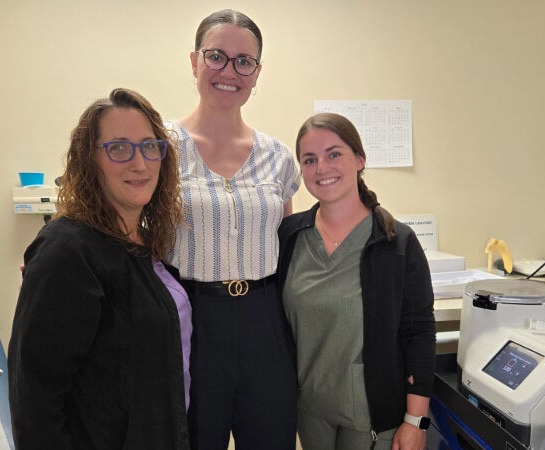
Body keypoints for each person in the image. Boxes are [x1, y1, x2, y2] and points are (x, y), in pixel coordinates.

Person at [9, 88, 190, 449]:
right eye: (119, 148)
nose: (139, 164)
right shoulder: (68, 251)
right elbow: (35, 397)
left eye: (149, 146)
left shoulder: (146, 241)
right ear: (89, 159)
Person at [165, 9, 300, 450]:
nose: (229, 71)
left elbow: (287, 243)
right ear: (194, 62)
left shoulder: (277, 157)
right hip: (190, 315)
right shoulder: (161, 148)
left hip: (264, 317)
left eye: (244, 61)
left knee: (272, 438)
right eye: (217, 56)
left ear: (257, 73)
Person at [278, 113, 437, 450]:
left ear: (359, 160)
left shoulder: (395, 243)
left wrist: (416, 422)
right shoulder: (291, 238)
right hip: (310, 410)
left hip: (371, 416)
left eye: (334, 154)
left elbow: (419, 332)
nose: (321, 167)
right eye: (310, 159)